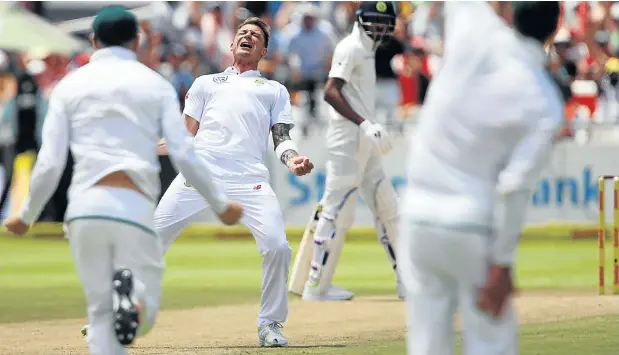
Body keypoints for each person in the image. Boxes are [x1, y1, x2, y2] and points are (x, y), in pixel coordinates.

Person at [3, 6, 243, 355]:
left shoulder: (69, 86)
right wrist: (220, 205)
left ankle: (122, 300)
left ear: (93, 39)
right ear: (137, 41)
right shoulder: (155, 84)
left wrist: (26, 216)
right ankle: (134, 298)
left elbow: (50, 162)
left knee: (101, 317)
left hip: (84, 211)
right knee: (142, 316)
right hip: (134, 207)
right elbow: (184, 153)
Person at [398, 2, 562, 354]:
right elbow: (515, 187)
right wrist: (503, 262)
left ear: (508, 13)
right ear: (553, 29)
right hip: (472, 224)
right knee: (491, 340)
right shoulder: (545, 101)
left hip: (417, 215)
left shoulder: (474, 26)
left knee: (426, 342)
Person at [154, 17, 314, 348]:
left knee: (277, 247)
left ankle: (270, 324)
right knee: (151, 237)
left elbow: (281, 138)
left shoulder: (273, 90)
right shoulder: (205, 83)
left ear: (263, 50)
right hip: (200, 172)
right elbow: (184, 136)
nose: (247, 37)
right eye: (242, 33)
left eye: (255, 35)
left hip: (249, 179)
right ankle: (116, 312)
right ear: (231, 45)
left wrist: (292, 159)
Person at [290, 1, 403, 302]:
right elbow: (330, 91)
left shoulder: (367, 49)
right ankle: (316, 285)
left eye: (385, 22)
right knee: (338, 209)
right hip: (346, 138)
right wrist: (366, 123)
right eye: (375, 21)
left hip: (364, 137)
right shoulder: (350, 47)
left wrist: (369, 126)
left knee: (389, 207)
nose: (380, 27)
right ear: (361, 20)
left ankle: (409, 281)